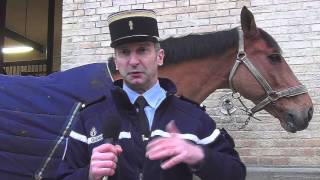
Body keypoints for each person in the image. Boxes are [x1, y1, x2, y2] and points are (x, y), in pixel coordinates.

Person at [57, 9, 246, 180]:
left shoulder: (192, 116)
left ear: (160, 56)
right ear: (116, 62)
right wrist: (88, 174)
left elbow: (235, 173)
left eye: (142, 50)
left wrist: (198, 155)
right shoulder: (91, 116)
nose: (133, 61)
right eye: (124, 52)